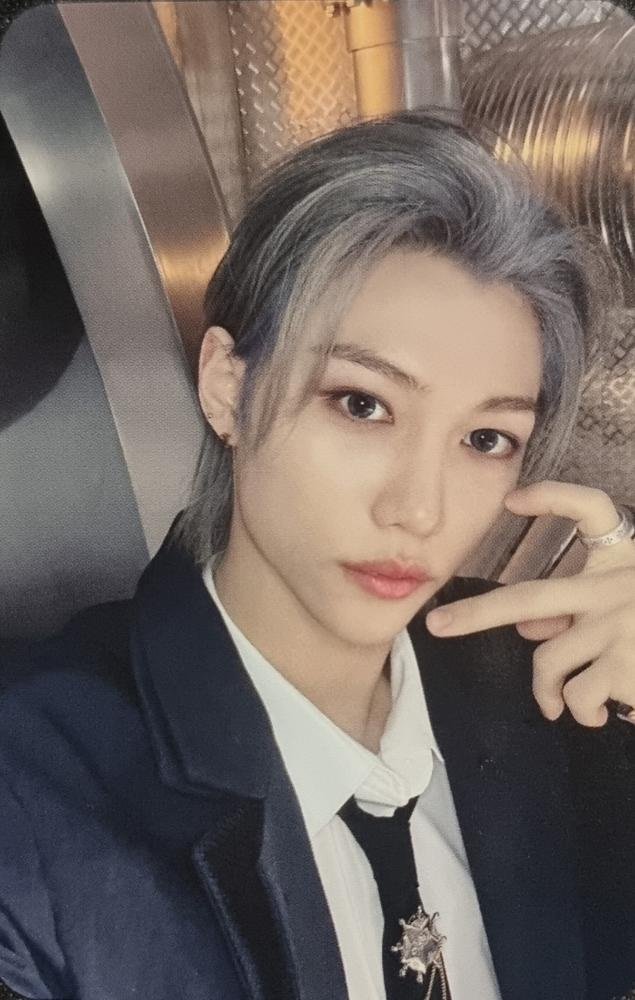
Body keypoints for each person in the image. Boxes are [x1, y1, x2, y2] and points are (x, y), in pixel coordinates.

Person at [0, 111, 634, 1000]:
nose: (417, 509)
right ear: (227, 385)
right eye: (362, 405)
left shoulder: (560, 704)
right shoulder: (33, 794)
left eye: (485, 438)